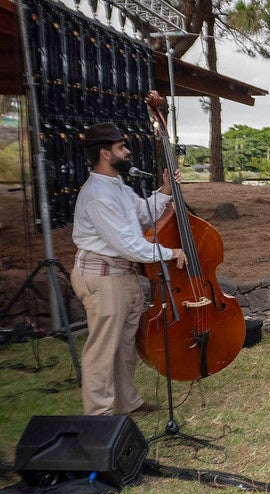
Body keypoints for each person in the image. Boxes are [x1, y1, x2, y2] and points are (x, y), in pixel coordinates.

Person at [71, 122, 186, 416]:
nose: (128, 151)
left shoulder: (116, 186)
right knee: (102, 348)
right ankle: (99, 415)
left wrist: (165, 190)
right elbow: (127, 244)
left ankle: (125, 403)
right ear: (105, 153)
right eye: (122, 147)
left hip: (122, 275)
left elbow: (141, 215)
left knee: (125, 345)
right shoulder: (97, 194)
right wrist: (170, 252)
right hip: (103, 275)